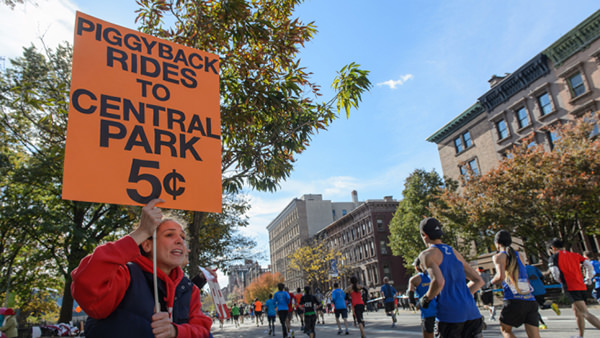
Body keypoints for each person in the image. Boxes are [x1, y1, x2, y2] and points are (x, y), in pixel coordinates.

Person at [71, 199, 212, 338]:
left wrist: (175, 332)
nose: (180, 241)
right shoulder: (125, 275)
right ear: (147, 245)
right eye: (169, 234)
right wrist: (142, 231)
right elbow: (86, 283)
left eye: (182, 237)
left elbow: (202, 330)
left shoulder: (188, 288)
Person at [417, 217, 484, 338]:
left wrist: (426, 298)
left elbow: (438, 282)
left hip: (449, 316)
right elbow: (479, 281)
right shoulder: (454, 252)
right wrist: (462, 295)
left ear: (424, 235)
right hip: (472, 313)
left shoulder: (427, 254)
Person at [490, 230, 540, 338]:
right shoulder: (519, 255)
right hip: (529, 299)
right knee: (534, 336)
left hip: (514, 299)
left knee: (505, 329)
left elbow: (500, 277)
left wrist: (490, 282)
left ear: (497, 243)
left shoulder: (499, 257)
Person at [548, 238, 600, 338]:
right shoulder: (575, 255)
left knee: (584, 312)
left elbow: (555, 272)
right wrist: (588, 278)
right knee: (577, 312)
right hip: (581, 285)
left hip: (570, 286)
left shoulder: (554, 257)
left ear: (553, 248)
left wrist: (559, 280)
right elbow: (588, 265)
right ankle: (580, 335)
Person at [525, 263, 560, 330]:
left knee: (533, 309)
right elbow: (541, 276)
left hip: (530, 291)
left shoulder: (519, 269)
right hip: (540, 289)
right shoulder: (532, 267)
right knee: (541, 305)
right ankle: (551, 305)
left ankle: (542, 324)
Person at [408, 258, 437, 338]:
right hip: (441, 312)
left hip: (427, 313)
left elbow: (410, 294)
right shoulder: (436, 275)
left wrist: (415, 305)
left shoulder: (414, 280)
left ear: (417, 267)